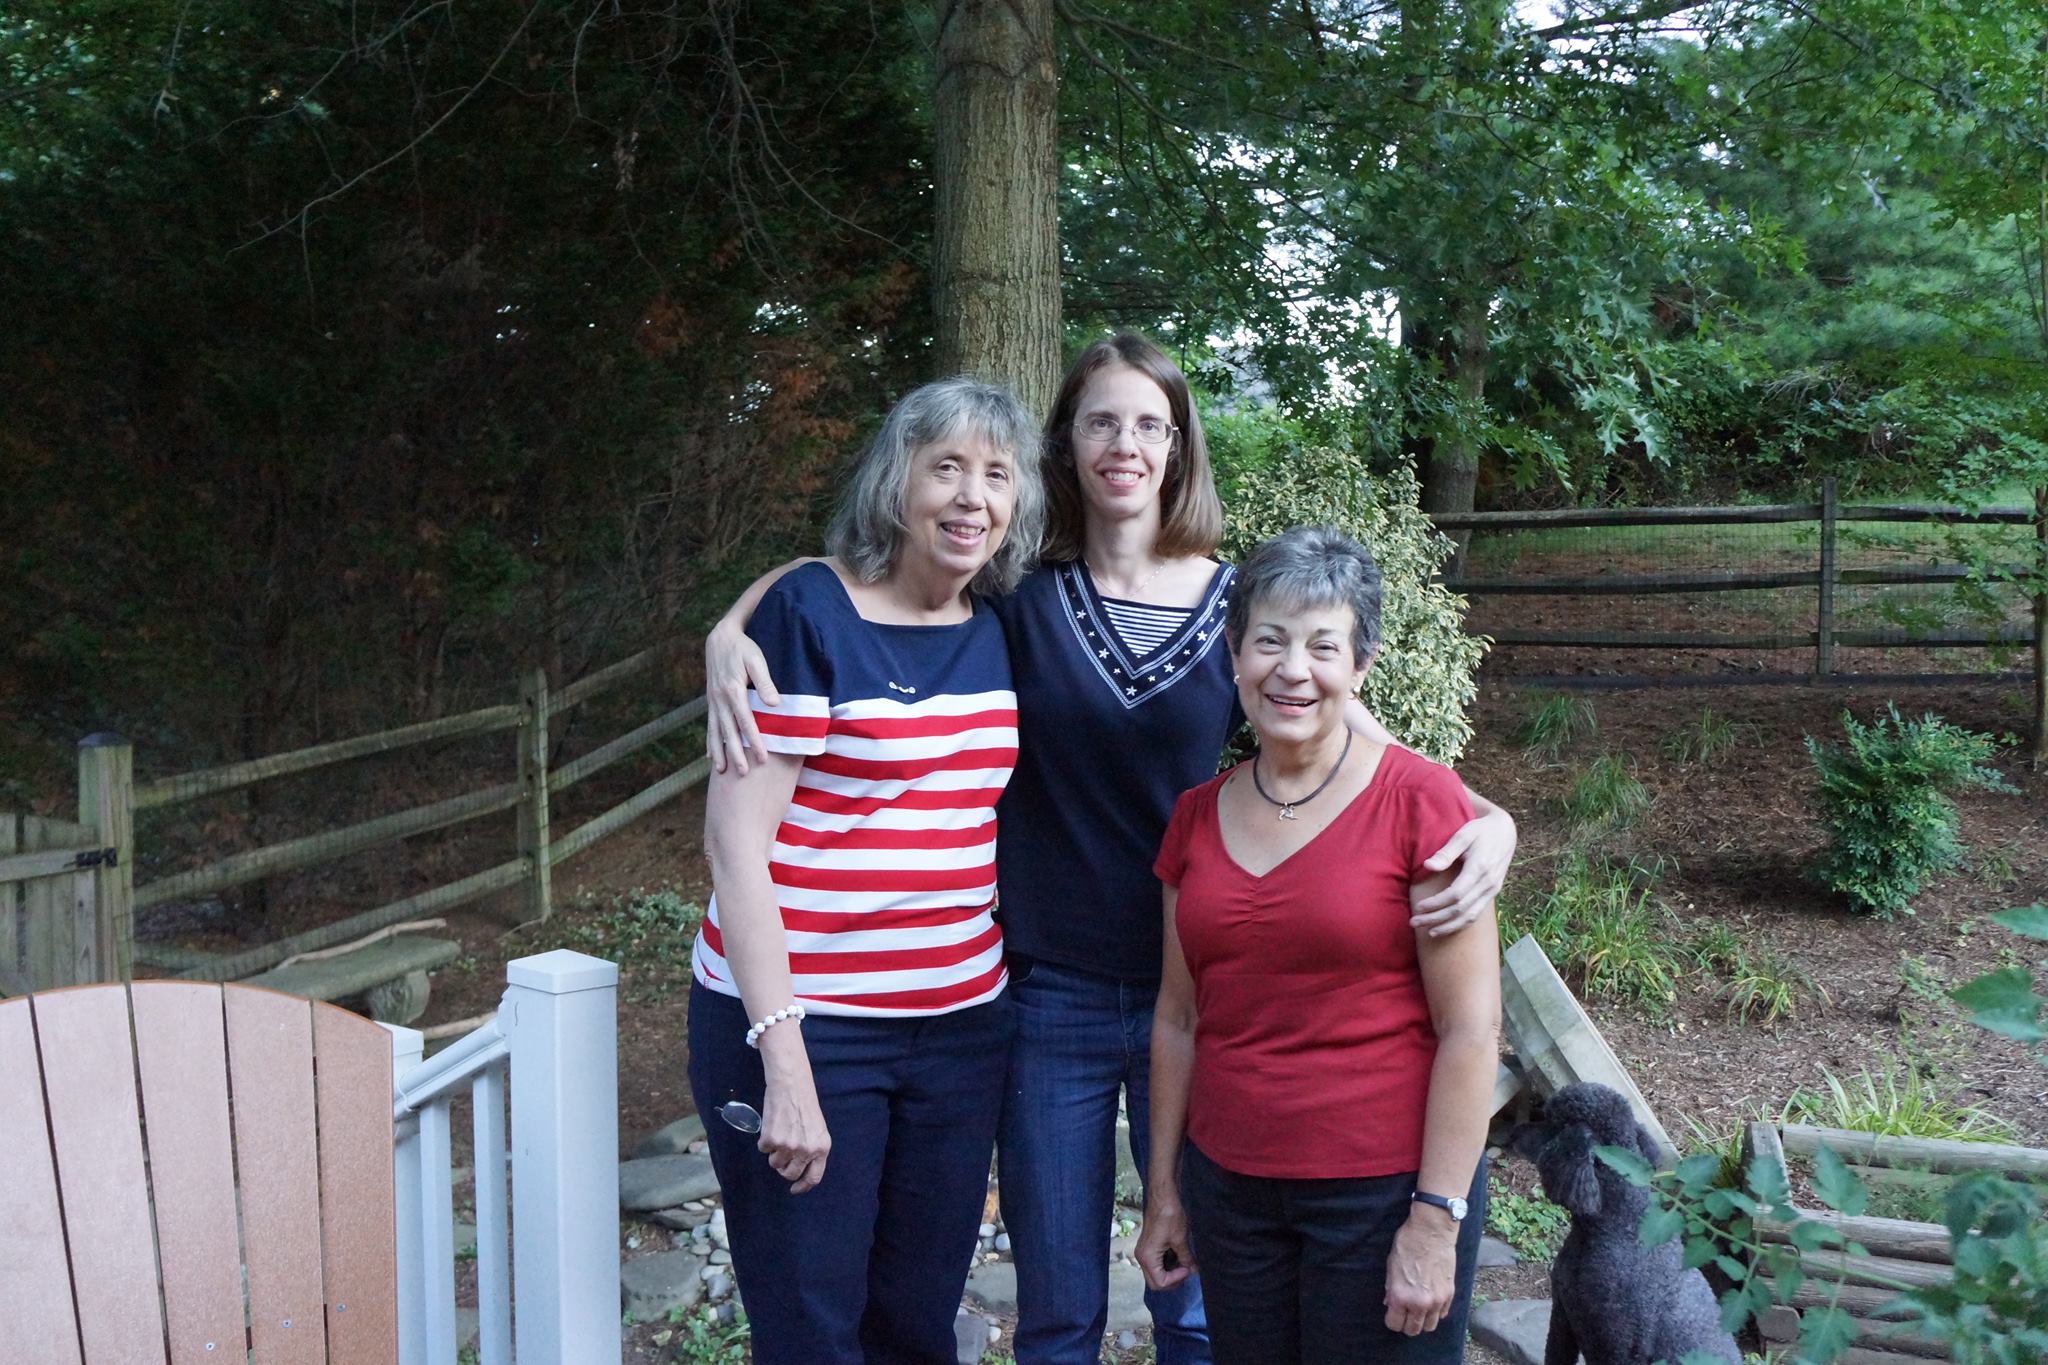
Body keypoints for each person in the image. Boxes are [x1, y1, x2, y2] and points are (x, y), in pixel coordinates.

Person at [703, 334, 1515, 1364]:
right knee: (1057, 1303)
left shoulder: (1240, 611)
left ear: (1178, 448)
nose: (1122, 443)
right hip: (1051, 993)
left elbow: (1348, 724)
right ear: (1067, 444)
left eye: (1147, 424)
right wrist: (732, 623)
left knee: (1196, 1293)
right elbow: (870, 573)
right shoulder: (1016, 597)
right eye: (1099, 421)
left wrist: (1486, 816)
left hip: (1209, 998)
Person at [687, 376, 1044, 1365]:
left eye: (995, 477)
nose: (971, 498)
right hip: (807, 1025)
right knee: (810, 1327)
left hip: (958, 1028)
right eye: (946, 470)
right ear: (898, 482)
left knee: (916, 1323)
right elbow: (735, 851)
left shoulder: (998, 626)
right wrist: (785, 1065)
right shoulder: (808, 616)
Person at [1134, 525, 1502, 1365]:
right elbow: (1179, 1018)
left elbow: (1471, 1030)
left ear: (1360, 666)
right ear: (1235, 655)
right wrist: (1166, 1192)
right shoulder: (1194, 818)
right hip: (1232, 1197)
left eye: (1321, 645)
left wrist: (1434, 1219)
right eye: (1269, 640)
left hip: (1380, 1198)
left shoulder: (1422, 804)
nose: (1291, 669)